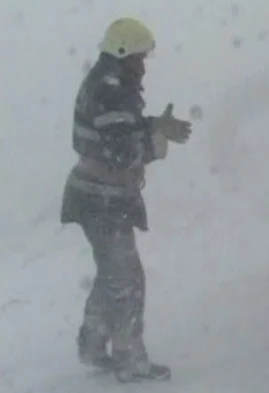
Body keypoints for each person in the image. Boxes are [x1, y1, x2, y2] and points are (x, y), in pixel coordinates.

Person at [60, 17, 192, 383]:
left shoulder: (108, 84)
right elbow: (121, 151)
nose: (143, 64)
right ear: (122, 53)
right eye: (139, 57)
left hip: (94, 196)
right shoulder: (113, 90)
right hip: (102, 199)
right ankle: (129, 360)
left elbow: (118, 128)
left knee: (112, 273)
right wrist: (156, 142)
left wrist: (152, 124)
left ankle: (92, 344)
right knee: (127, 279)